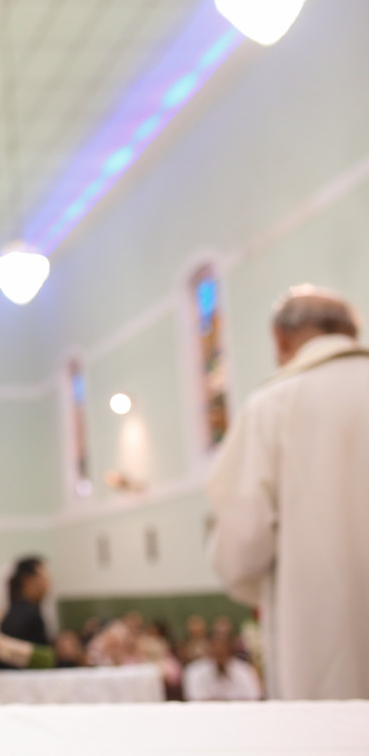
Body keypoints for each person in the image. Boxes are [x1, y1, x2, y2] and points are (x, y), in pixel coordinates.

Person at [208, 285, 369, 700]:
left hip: (317, 638)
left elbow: (243, 542)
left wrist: (247, 581)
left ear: (280, 338)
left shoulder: (272, 406)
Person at [0, 557, 51, 658]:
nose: (47, 584)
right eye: (44, 577)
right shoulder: (27, 615)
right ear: (28, 580)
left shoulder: (18, 610)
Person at [182, 633, 262, 702]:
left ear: (231, 651)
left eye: (223, 652)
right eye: (216, 652)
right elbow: (195, 701)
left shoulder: (245, 671)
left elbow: (254, 699)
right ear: (209, 651)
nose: (220, 654)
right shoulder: (194, 672)